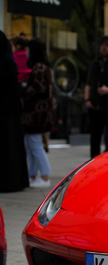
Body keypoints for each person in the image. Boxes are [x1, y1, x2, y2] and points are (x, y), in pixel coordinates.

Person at [20, 38, 55, 187]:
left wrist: (20, 89)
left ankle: (45, 177)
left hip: (36, 114)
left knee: (34, 145)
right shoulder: (44, 67)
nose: (26, 52)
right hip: (38, 114)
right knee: (31, 144)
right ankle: (33, 176)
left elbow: (36, 89)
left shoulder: (39, 68)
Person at [0, 30, 29, 192]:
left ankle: (9, 182)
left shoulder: (7, 64)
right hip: (9, 115)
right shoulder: (8, 63)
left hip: (7, 115)